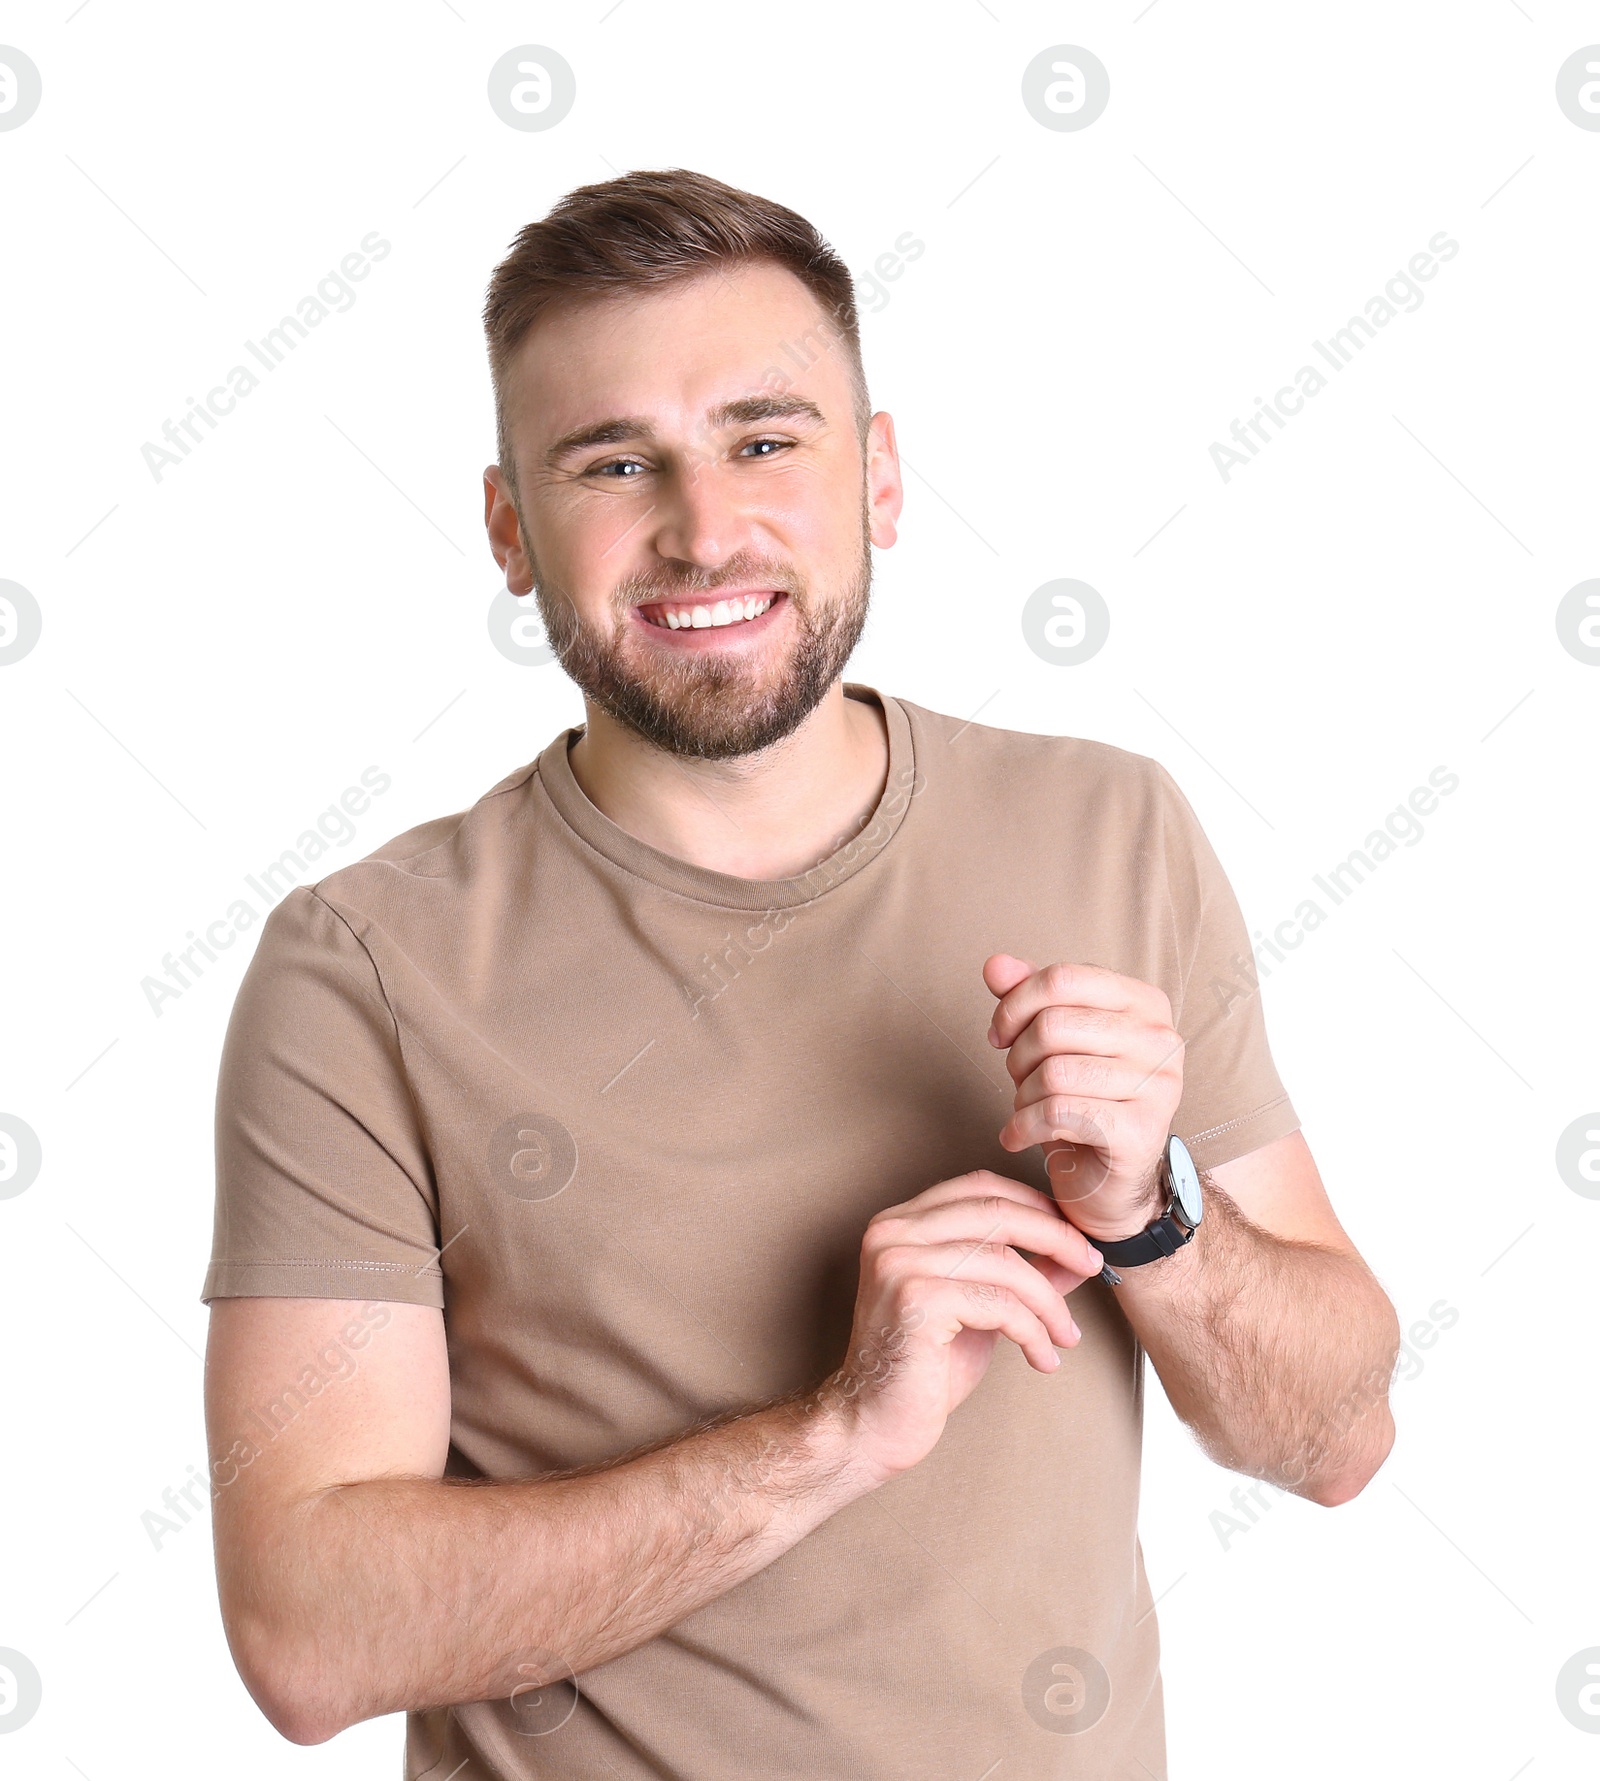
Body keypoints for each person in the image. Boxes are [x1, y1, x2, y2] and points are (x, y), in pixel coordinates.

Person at [201, 167, 1400, 1779]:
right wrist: (833, 1434)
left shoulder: (1110, 828)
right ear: (508, 527)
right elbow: (303, 1634)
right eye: (615, 462)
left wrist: (1150, 1222)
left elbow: (1336, 1442)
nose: (705, 529)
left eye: (766, 439)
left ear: (882, 475)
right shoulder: (362, 966)